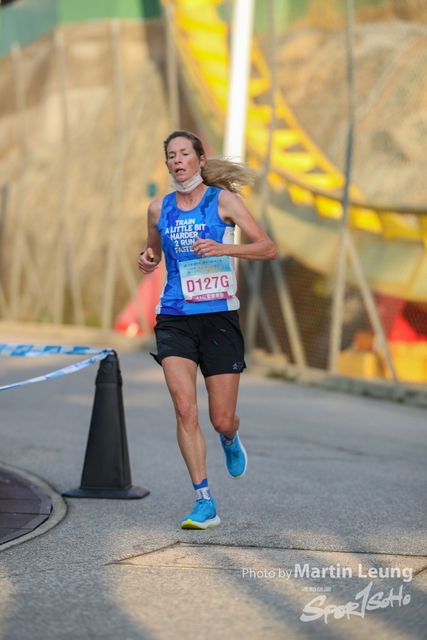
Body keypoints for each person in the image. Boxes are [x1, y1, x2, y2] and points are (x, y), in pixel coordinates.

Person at [138, 130, 277, 530]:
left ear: (200, 160)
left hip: (218, 318)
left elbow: (267, 248)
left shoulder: (224, 202)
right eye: (171, 155)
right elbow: (152, 250)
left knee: (221, 419)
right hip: (174, 316)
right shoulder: (158, 208)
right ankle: (204, 501)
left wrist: (224, 248)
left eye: (184, 153)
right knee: (184, 409)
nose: (177, 160)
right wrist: (147, 259)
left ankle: (230, 438)